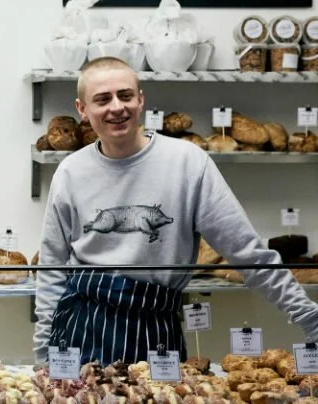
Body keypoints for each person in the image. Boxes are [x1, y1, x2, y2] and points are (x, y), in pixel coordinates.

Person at [33, 56, 318, 365]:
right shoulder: (71, 172)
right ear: (83, 110)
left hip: (155, 329)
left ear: (140, 100)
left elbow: (246, 251)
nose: (117, 107)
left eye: (125, 95)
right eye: (102, 99)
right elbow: (51, 268)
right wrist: (43, 354)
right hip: (83, 328)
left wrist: (309, 317)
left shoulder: (187, 162)